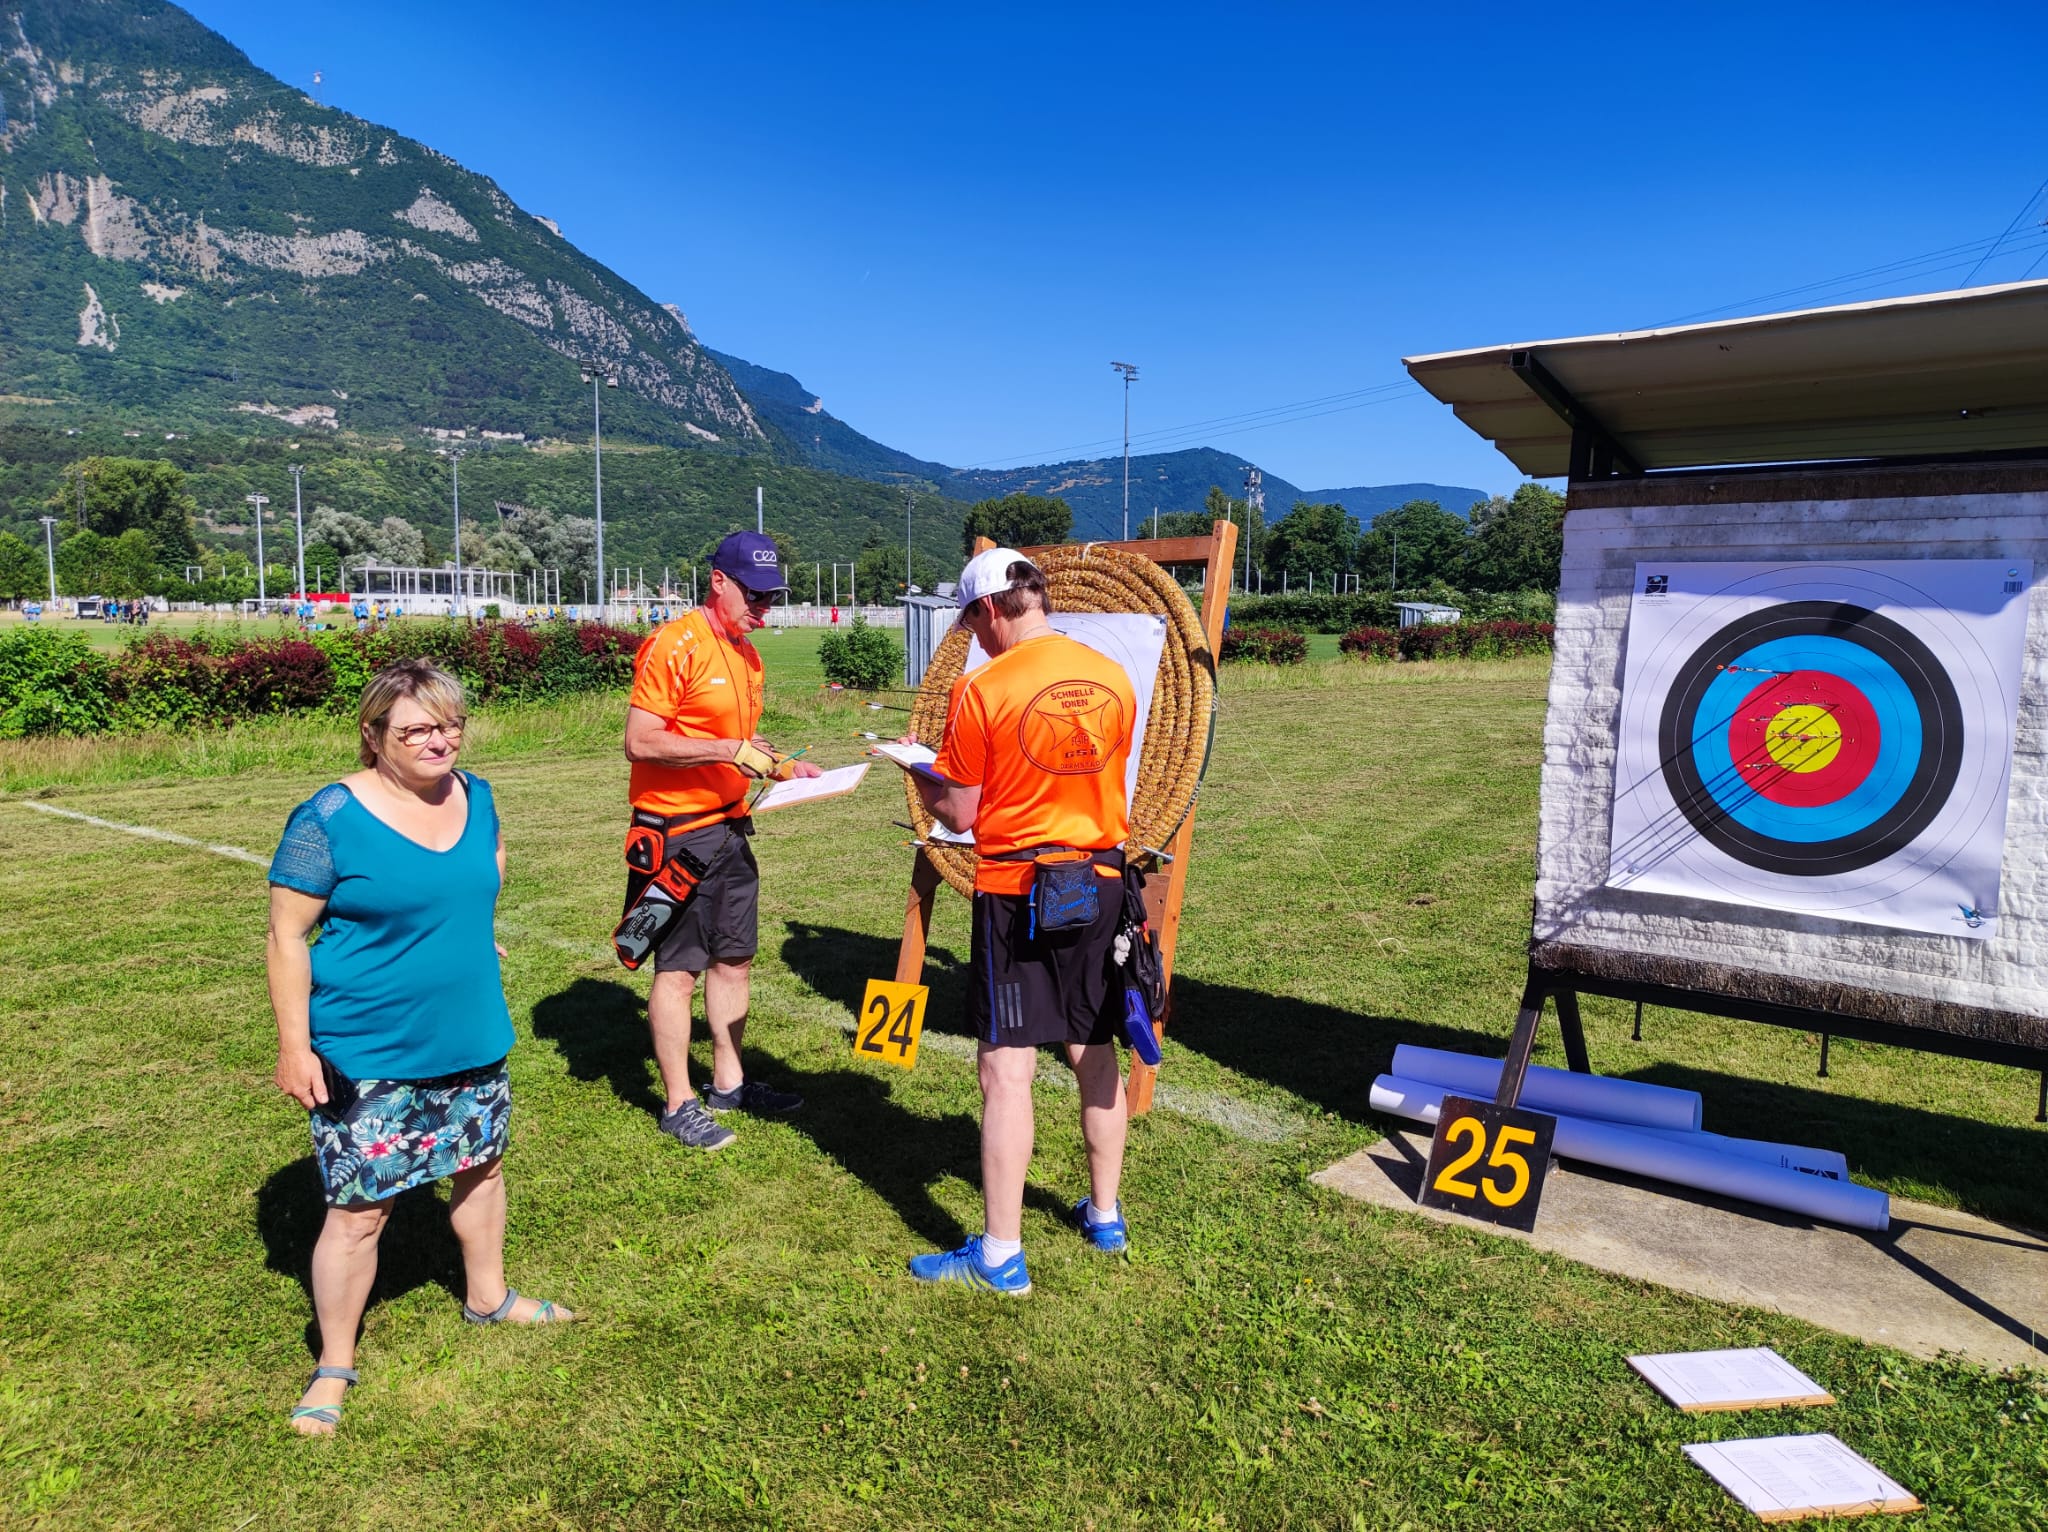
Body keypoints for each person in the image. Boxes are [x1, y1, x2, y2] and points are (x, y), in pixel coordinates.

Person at [265, 660, 574, 1437]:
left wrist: (469, 937)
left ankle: (487, 1296)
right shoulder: (328, 819)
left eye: (451, 725)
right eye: (418, 730)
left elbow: (481, 876)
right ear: (374, 736)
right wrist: (295, 1048)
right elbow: (286, 936)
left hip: (471, 1030)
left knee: (482, 1169)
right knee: (360, 1213)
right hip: (367, 1046)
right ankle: (334, 1362)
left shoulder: (479, 796)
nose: (441, 741)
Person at [902, 549, 1140, 1294]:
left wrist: (917, 772)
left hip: (1017, 892)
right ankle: (1106, 1216)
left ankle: (1001, 1255)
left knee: (1006, 1069)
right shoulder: (1113, 675)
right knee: (1093, 1048)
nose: (972, 636)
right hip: (1101, 884)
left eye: (971, 622)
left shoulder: (982, 687)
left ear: (989, 609)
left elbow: (962, 812)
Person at [621, 532, 822, 1151]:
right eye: (754, 595)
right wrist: (728, 750)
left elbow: (742, 746)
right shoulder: (674, 644)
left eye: (772, 597)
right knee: (678, 969)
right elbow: (641, 741)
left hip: (730, 829)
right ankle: (678, 1102)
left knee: (734, 959)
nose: (764, 608)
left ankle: (729, 1084)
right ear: (718, 582)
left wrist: (782, 765)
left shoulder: (748, 655)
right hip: (675, 836)